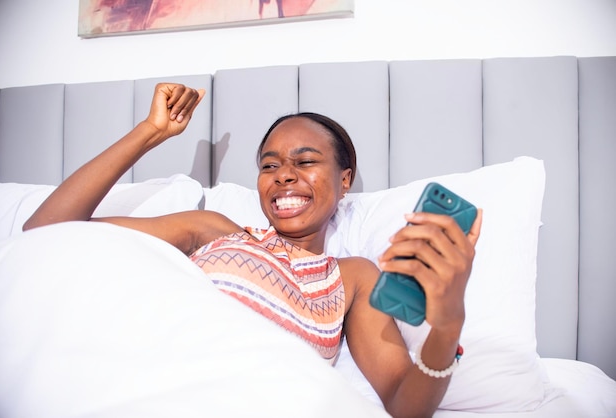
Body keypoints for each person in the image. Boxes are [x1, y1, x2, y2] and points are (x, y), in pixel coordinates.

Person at [24, 83, 482, 418]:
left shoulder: (353, 278)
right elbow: (47, 232)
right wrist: (149, 132)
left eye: (304, 162)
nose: (283, 175)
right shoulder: (211, 230)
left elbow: (405, 404)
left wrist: (447, 324)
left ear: (345, 180)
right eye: (269, 165)